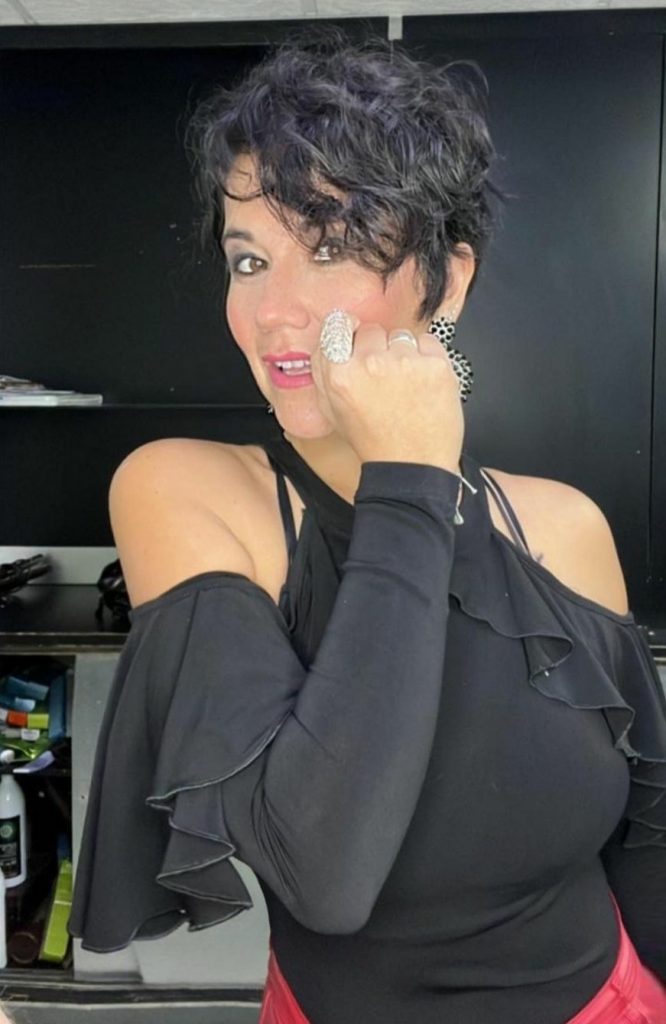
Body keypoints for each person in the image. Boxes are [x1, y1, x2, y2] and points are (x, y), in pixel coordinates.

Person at [67, 29, 666, 1024]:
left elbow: (645, 845)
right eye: (249, 258)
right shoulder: (186, 493)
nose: (274, 311)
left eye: (333, 247)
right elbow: (325, 874)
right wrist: (410, 477)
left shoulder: (563, 526)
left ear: (449, 280)